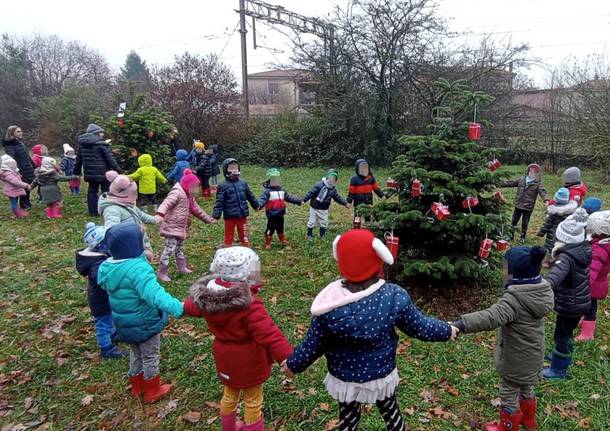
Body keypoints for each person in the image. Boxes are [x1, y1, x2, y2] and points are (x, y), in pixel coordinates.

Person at [284, 229, 457, 431]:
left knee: (348, 419)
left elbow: (313, 344)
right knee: (391, 413)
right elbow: (420, 326)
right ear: (378, 260)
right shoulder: (394, 297)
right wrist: (446, 330)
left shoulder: (328, 306)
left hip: (345, 378)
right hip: (380, 375)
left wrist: (294, 364)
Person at [183, 247, 292, 431]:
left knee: (230, 395)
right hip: (249, 361)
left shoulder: (208, 296)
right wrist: (287, 356)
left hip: (224, 357)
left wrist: (178, 307)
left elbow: (190, 307)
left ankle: (230, 427)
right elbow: (268, 333)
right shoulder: (248, 305)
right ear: (246, 274)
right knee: (252, 400)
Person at [452, 246, 554, 431]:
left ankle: (507, 427)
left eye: (506, 269)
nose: (503, 273)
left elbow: (490, 316)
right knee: (527, 388)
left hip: (515, 360)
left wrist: (461, 324)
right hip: (534, 356)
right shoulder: (541, 291)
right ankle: (529, 421)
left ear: (514, 274)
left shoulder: (514, 300)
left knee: (509, 392)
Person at [97, 223, 184, 403]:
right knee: (150, 355)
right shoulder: (138, 270)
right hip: (144, 322)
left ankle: (137, 387)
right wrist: (178, 307)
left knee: (135, 353)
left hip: (123, 323)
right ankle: (153, 390)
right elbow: (155, 295)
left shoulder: (107, 267)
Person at [543, 208, 592, 379]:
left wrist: (543, 286)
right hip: (579, 302)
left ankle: (558, 369)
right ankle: (562, 356)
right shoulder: (582, 249)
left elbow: (555, 277)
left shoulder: (565, 258)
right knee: (567, 332)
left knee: (561, 335)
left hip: (570, 304)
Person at [75, 222, 126, 359]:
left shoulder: (102, 257)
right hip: (100, 301)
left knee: (109, 318)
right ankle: (106, 348)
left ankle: (112, 334)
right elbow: (103, 279)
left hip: (107, 298)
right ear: (101, 245)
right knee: (103, 322)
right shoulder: (96, 264)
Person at [155, 169, 216, 282]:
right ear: (188, 185)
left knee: (179, 248)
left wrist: (208, 219)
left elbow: (196, 209)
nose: (196, 190)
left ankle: (182, 268)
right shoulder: (177, 192)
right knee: (169, 249)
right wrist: (160, 214)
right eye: (194, 187)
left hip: (181, 228)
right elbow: (166, 203)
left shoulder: (189, 197)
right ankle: (162, 272)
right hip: (171, 227)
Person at [98, 171, 158, 262]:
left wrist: (156, 220)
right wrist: (135, 230)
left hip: (139, 245)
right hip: (127, 251)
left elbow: (141, 215)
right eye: (134, 194)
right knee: (134, 271)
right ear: (124, 195)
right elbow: (112, 232)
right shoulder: (112, 209)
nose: (136, 197)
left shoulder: (128, 204)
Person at [576, 210, 610, 342]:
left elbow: (592, 269)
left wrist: (584, 284)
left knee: (590, 307)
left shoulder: (599, 249)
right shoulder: (604, 244)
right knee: (588, 305)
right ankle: (583, 320)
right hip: (598, 282)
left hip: (592, 285)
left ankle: (587, 333)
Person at [75, 123, 122, 216]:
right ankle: (106, 211)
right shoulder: (101, 144)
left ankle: (93, 213)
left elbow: (78, 159)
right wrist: (119, 171)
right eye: (101, 133)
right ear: (96, 133)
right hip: (104, 173)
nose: (102, 134)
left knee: (92, 192)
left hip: (90, 173)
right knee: (106, 192)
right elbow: (110, 159)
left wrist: (77, 172)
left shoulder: (82, 145)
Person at [212, 158, 259, 247]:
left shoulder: (243, 183)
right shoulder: (223, 185)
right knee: (229, 234)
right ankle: (228, 248)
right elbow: (219, 202)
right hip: (229, 215)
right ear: (226, 170)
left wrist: (256, 206)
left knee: (244, 233)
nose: (234, 170)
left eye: (236, 168)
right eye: (231, 168)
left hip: (242, 214)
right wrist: (216, 216)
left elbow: (250, 196)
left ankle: (245, 247)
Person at [501, 163, 549, 243]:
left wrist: (546, 200)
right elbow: (510, 183)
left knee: (525, 222)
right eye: (531, 171)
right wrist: (498, 183)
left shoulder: (537, 184)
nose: (532, 174)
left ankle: (522, 237)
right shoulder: (521, 179)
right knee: (514, 221)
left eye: (534, 172)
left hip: (528, 207)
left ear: (537, 174)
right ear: (528, 172)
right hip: (518, 205)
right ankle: (510, 236)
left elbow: (542, 192)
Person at [257, 168, 302, 249]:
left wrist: (298, 201)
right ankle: (268, 242)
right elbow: (262, 199)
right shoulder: (267, 191)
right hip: (271, 214)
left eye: (277, 179)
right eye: (273, 179)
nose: (275, 181)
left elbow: (289, 197)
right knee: (270, 228)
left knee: (280, 227)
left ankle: (282, 239)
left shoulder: (282, 190)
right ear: (269, 180)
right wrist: (259, 205)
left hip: (281, 213)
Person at [302, 169, 351, 241]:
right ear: (327, 177)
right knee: (312, 221)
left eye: (334, 179)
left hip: (324, 209)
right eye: (330, 178)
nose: (331, 180)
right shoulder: (318, 185)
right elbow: (310, 193)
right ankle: (309, 234)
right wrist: (304, 200)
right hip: (314, 207)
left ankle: (322, 235)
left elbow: (337, 198)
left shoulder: (333, 189)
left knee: (324, 222)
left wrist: (345, 203)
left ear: (335, 181)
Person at [2, 126, 35, 209]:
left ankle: (25, 202)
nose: (21, 133)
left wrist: (34, 165)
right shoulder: (9, 145)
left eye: (21, 131)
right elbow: (10, 159)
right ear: (12, 133)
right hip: (21, 169)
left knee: (30, 184)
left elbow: (27, 156)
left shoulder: (19, 142)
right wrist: (15, 170)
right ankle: (24, 204)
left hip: (28, 167)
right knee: (24, 185)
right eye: (18, 131)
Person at [536, 187, 577, 253]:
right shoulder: (570, 211)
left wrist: (541, 232)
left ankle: (548, 259)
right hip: (564, 235)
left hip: (552, 235)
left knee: (549, 248)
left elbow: (547, 224)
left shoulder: (553, 211)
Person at [1, 154, 31, 218]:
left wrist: (18, 175)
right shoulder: (8, 174)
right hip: (12, 191)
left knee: (16, 201)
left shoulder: (9, 172)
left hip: (13, 190)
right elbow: (16, 182)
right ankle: (18, 214)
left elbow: (15, 176)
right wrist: (26, 185)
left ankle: (18, 211)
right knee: (14, 203)